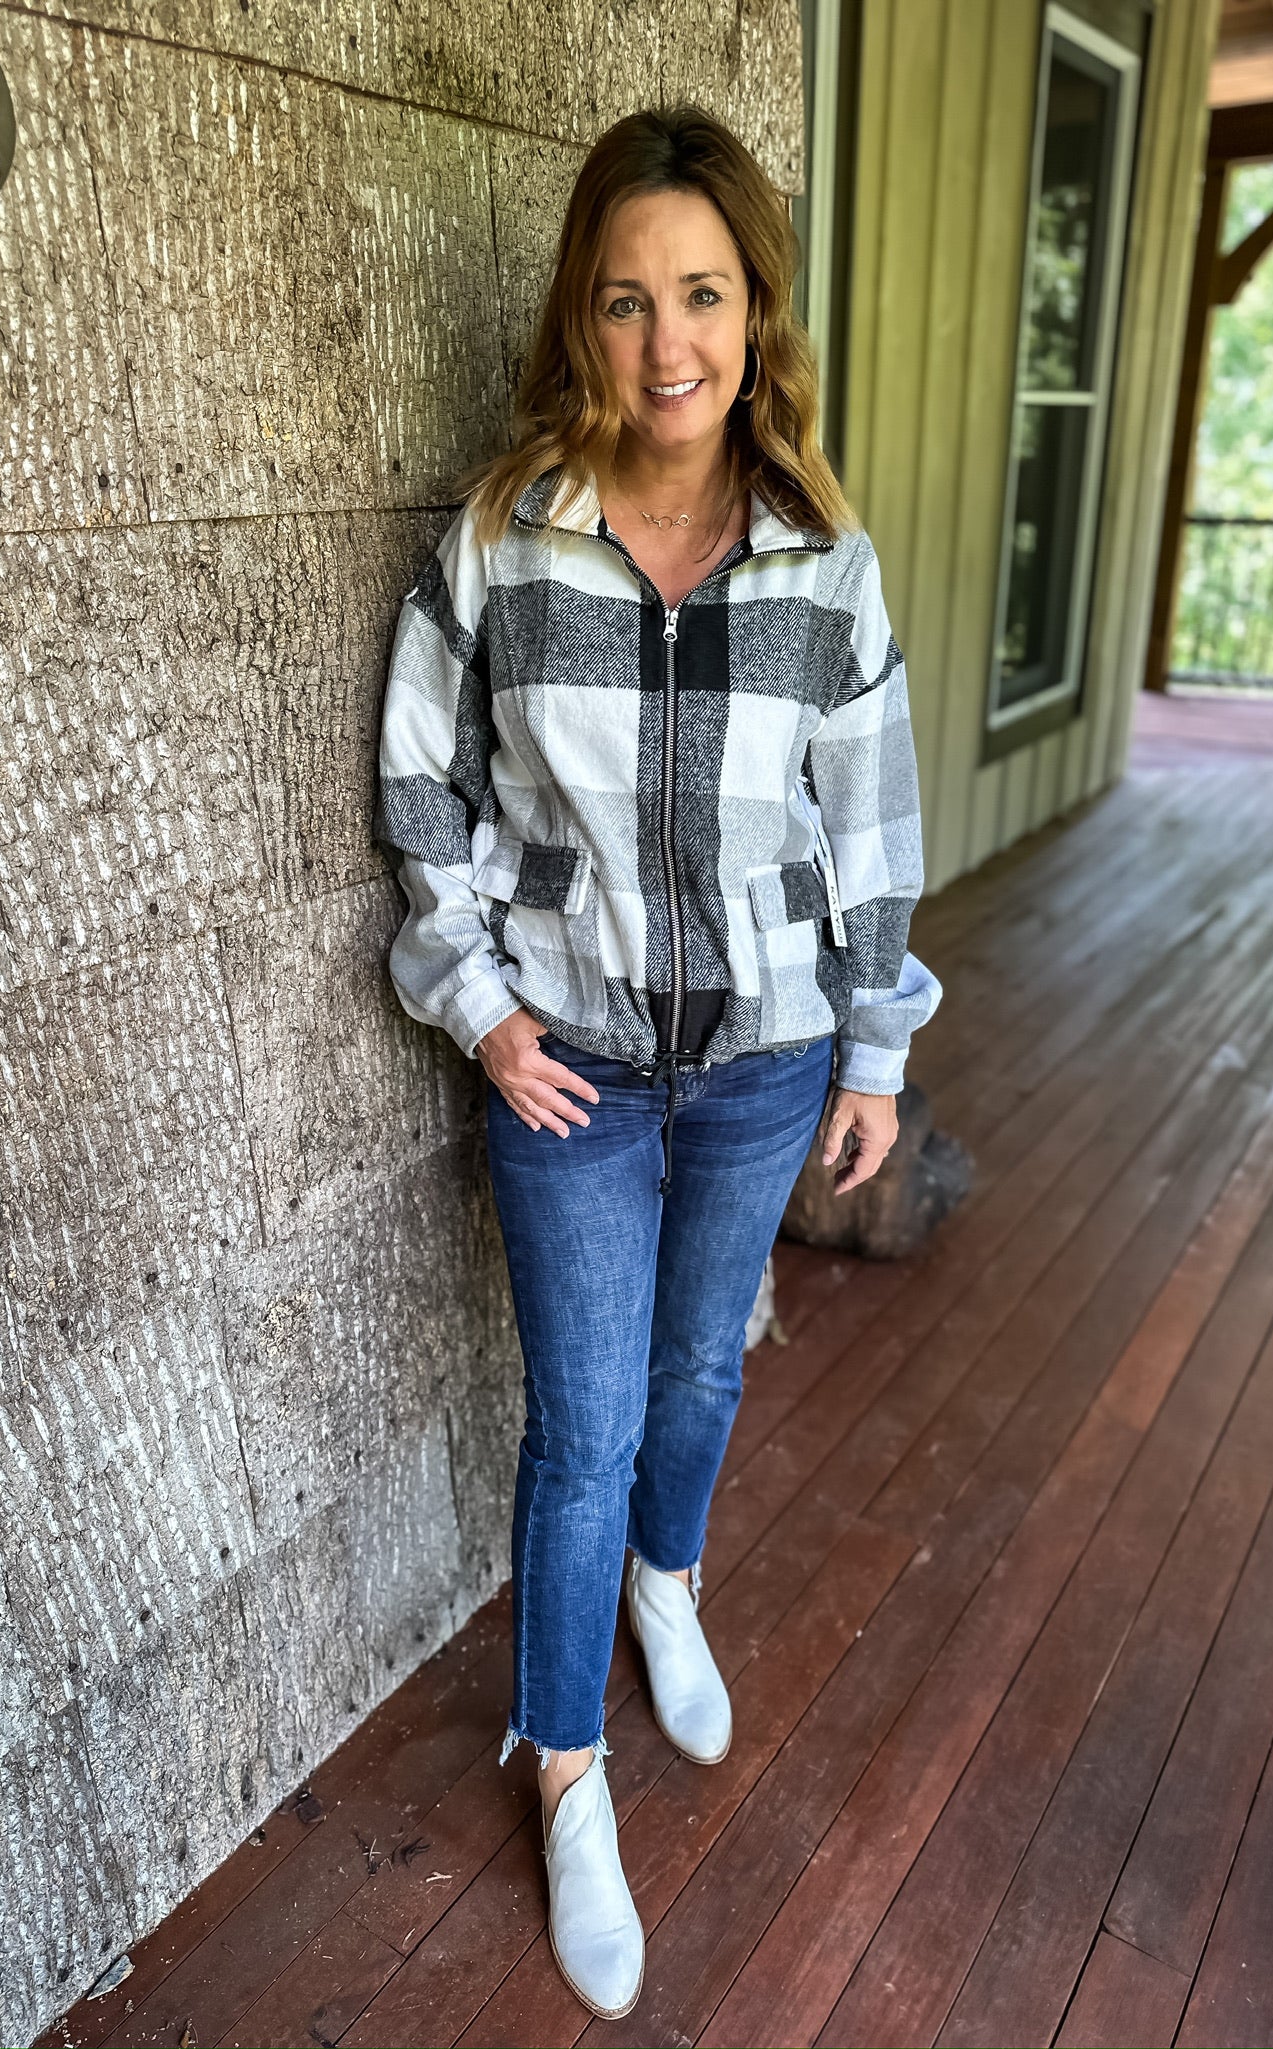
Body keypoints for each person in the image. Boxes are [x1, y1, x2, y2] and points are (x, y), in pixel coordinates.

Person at [373, 103, 942, 2019]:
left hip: (768, 1055)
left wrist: (872, 1046)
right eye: (625, 300)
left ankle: (666, 1587)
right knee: (581, 1430)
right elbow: (421, 790)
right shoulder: (502, 543)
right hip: (576, 1072)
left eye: (701, 293)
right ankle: (563, 1763)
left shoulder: (822, 564)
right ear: (582, 318)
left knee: (704, 1367)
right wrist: (479, 1004)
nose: (666, 341)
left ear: (754, 311)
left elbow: (869, 825)